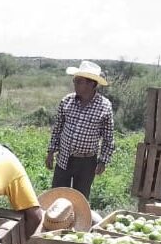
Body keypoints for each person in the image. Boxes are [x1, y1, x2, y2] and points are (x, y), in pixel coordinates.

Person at [46, 60, 115, 199]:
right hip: (64, 157)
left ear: (91, 84)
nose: (75, 84)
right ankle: (56, 221)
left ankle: (78, 221)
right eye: (75, 81)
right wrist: (51, 152)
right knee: (57, 196)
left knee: (80, 199)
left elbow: (108, 138)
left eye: (79, 81)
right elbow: (58, 129)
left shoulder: (104, 106)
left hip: (86, 162)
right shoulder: (67, 101)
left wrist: (103, 161)